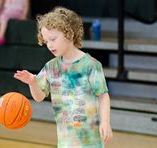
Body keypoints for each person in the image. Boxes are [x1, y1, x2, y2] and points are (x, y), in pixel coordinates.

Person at [13, 7, 113, 147]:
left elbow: (103, 96)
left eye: (53, 39)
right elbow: (39, 97)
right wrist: (33, 82)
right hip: (66, 142)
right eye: (46, 41)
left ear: (69, 34)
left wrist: (105, 122)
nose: (49, 45)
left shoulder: (91, 65)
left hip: (90, 141)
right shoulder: (50, 67)